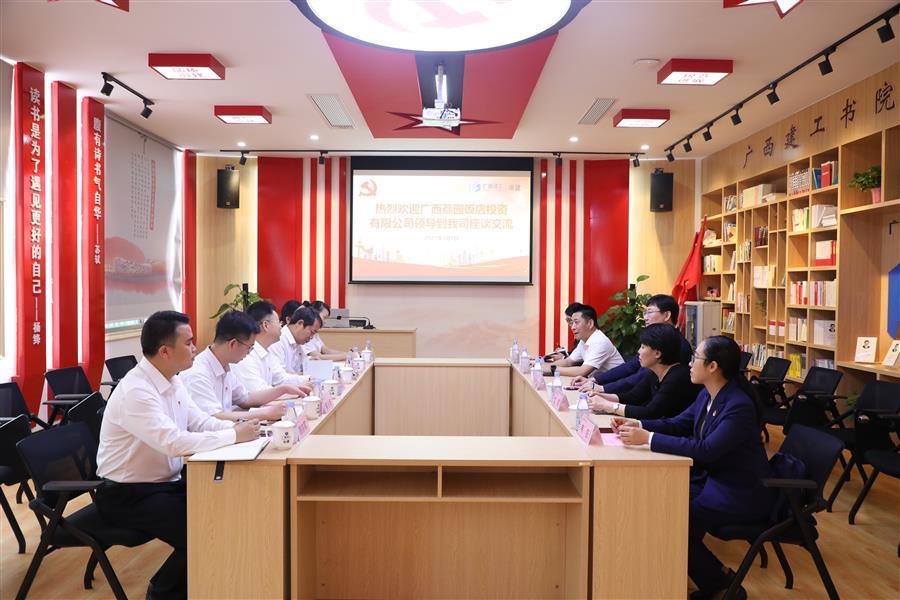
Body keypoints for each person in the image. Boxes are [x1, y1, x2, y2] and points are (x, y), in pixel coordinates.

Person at [95, 311, 260, 599]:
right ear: (164, 351)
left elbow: (199, 421)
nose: (195, 347)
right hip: (128, 494)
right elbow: (174, 443)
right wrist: (234, 435)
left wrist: (241, 428)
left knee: (222, 512)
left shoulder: (172, 379)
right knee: (203, 532)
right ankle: (161, 592)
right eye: (188, 342)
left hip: (165, 484)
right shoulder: (137, 391)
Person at [613, 336, 774, 599]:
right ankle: (714, 581)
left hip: (739, 491)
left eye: (695, 358)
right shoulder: (707, 394)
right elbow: (678, 423)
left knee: (671, 518)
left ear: (713, 366)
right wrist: (639, 425)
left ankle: (722, 586)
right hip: (712, 481)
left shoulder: (738, 406)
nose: (689, 364)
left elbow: (707, 450)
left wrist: (648, 439)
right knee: (661, 508)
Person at [180, 310, 306, 421]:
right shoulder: (198, 373)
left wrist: (283, 389)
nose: (249, 353)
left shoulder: (224, 364)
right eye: (249, 348)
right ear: (233, 344)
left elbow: (245, 398)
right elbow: (212, 418)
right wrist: (265, 414)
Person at [572, 294, 692, 393]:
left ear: (667, 315)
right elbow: (631, 366)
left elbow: (642, 377)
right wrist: (595, 380)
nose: (645, 318)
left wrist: (602, 388)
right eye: (645, 313)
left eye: (649, 312)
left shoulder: (678, 346)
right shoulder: (656, 339)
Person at [588, 323, 700, 420]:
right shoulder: (654, 372)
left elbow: (650, 413)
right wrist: (602, 396)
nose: (638, 351)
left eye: (642, 347)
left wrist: (608, 406)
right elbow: (633, 397)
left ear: (657, 353)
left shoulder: (678, 377)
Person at [232, 301, 315, 393]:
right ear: (266, 325)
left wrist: (310, 379)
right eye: (278, 322)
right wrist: (291, 390)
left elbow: (281, 378)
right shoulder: (246, 355)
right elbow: (258, 392)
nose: (281, 326)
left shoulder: (266, 351)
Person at [541, 305, 623, 377]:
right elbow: (569, 362)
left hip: (614, 386)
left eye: (576, 322)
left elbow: (581, 372)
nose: (572, 327)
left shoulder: (600, 342)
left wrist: (552, 368)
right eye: (572, 323)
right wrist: (543, 366)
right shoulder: (584, 340)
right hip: (597, 383)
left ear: (590, 324)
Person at [269, 305, 320, 378]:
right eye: (312, 332)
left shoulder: (299, 341)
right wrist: (305, 377)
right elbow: (279, 376)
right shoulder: (278, 340)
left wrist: (309, 360)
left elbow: (300, 365)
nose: (311, 337)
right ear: (300, 323)